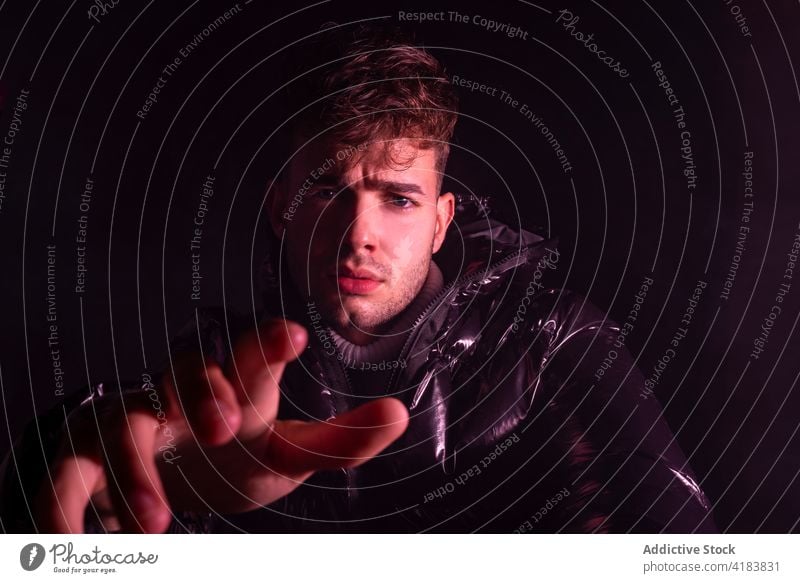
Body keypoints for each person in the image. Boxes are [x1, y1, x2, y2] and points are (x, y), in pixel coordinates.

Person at [0, 24, 716, 533]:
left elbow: (678, 546)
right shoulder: (229, 367)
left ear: (440, 221)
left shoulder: (555, 339)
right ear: (282, 207)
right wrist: (64, 464)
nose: (358, 233)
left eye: (396, 198)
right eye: (326, 191)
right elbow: (115, 494)